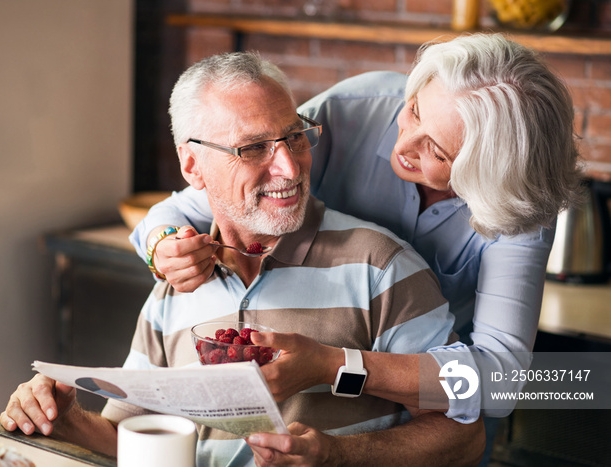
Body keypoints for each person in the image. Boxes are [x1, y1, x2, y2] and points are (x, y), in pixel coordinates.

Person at [0, 52, 485, 466]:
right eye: (253, 148)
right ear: (192, 165)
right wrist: (65, 421)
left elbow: (465, 437)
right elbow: (134, 443)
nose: (290, 167)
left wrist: (336, 456)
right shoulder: (174, 284)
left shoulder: (381, 267)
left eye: (295, 136)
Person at [131, 33, 582, 463]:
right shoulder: (348, 113)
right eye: (414, 112)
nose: (403, 145)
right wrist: (161, 245)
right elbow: (213, 185)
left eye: (438, 153)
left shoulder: (520, 202)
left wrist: (333, 365)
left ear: (489, 175)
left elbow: (499, 382)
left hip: (441, 401)